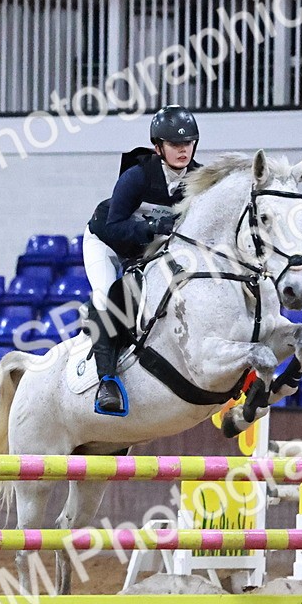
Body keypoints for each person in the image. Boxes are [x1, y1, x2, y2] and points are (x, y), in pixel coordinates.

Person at [82, 104, 202, 416]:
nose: (182, 150)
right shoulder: (137, 176)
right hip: (106, 243)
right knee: (106, 298)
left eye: (187, 143)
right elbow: (114, 226)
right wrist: (149, 228)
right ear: (158, 147)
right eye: (175, 145)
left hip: (148, 251)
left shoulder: (198, 179)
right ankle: (106, 381)